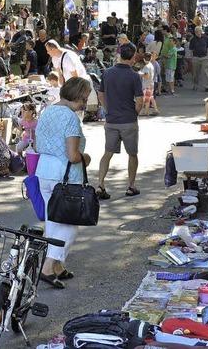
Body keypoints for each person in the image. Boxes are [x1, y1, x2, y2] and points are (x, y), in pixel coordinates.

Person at [35, 77, 93, 289]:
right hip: (65, 175)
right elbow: (73, 155)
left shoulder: (47, 111)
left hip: (45, 171)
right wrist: (86, 158)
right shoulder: (70, 118)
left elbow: (37, 142)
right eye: (84, 99)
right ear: (77, 96)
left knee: (53, 220)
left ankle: (58, 265)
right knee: (69, 224)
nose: (85, 103)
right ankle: (49, 266)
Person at [97, 43, 143, 200]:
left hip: (111, 120)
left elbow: (101, 94)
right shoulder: (134, 76)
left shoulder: (107, 73)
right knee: (132, 154)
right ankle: (131, 185)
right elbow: (139, 101)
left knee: (107, 153)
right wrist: (134, 113)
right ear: (133, 56)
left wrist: (107, 109)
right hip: (128, 120)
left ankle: (100, 184)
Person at [189, 26, 208, 91]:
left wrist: (207, 56)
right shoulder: (192, 39)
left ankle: (207, 86)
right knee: (196, 73)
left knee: (205, 72)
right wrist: (192, 58)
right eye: (196, 31)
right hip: (196, 57)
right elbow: (191, 50)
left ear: (201, 31)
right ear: (195, 32)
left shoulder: (205, 38)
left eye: (199, 31)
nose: (198, 32)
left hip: (204, 57)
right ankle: (195, 84)